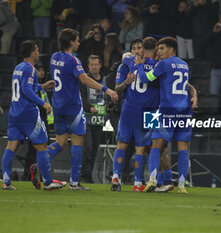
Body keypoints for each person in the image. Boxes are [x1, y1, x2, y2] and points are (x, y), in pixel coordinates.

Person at [42, 28, 118, 191]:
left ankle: (40, 160)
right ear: (70, 42)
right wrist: (107, 90)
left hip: (58, 106)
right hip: (72, 107)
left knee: (61, 142)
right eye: (76, 40)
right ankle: (74, 183)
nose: (78, 43)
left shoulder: (54, 57)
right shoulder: (73, 60)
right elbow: (84, 79)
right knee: (78, 142)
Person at [135, 37, 195, 193]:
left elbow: (145, 78)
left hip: (166, 110)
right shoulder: (185, 64)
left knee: (156, 144)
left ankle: (152, 180)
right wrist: (195, 94)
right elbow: (186, 86)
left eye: (161, 48)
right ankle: (182, 185)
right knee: (183, 148)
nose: (159, 52)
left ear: (171, 50)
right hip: (184, 111)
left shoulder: (164, 64)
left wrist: (140, 67)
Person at [2, 40, 64, 191]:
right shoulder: (31, 69)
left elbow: (26, 87)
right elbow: (26, 90)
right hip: (28, 114)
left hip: (14, 113)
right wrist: (44, 104)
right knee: (42, 146)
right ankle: (48, 182)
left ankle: (6, 182)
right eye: (36, 50)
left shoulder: (18, 67)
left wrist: (42, 86)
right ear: (31, 53)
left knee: (10, 147)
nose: (38, 53)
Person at [111, 37, 159, 192]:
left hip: (132, 109)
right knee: (141, 148)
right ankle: (136, 183)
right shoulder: (157, 66)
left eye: (140, 48)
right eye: (135, 48)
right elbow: (116, 90)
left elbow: (116, 89)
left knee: (126, 145)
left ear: (144, 49)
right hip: (147, 111)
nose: (138, 51)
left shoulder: (127, 63)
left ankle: (118, 177)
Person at [80, 55, 107, 183]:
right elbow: (81, 97)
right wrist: (89, 108)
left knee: (95, 150)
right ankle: (83, 175)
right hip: (86, 118)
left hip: (100, 120)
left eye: (96, 64)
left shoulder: (105, 80)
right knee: (88, 147)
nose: (94, 67)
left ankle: (88, 175)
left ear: (100, 65)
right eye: (92, 64)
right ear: (88, 66)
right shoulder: (84, 79)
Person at [25, 62, 54, 182]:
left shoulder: (42, 87)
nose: (41, 72)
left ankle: (40, 175)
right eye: (39, 70)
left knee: (43, 147)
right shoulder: (32, 88)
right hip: (35, 121)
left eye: (43, 70)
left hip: (44, 122)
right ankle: (28, 175)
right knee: (34, 150)